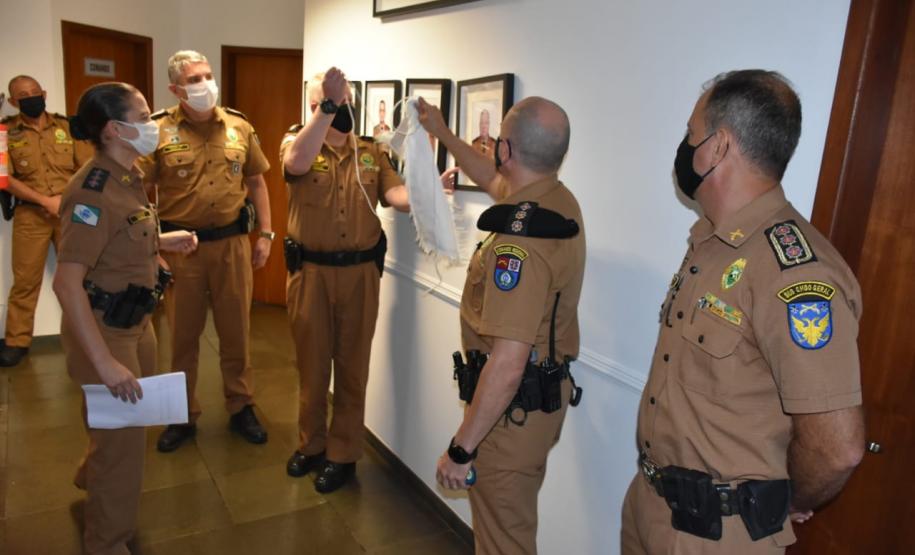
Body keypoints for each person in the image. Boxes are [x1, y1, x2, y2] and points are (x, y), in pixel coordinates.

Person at [620, 70, 865, 554]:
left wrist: (784, 501)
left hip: (717, 536)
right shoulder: (712, 243)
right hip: (650, 506)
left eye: (692, 134)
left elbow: (838, 448)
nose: (686, 148)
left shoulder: (792, 272)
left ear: (717, 147)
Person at [417, 94, 585, 554]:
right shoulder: (554, 200)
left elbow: (508, 362)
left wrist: (461, 448)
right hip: (532, 408)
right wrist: (444, 133)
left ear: (506, 149)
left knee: (503, 542)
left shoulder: (521, 241)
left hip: (509, 417)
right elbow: (492, 179)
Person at [281, 67, 446, 493]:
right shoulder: (298, 141)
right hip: (310, 274)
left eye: (344, 100)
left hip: (359, 276)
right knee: (312, 368)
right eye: (329, 100)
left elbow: (396, 198)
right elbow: (294, 164)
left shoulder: (372, 152)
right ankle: (311, 444)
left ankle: (342, 454)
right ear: (316, 104)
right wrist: (325, 111)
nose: (339, 109)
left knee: (352, 369)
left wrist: (428, 188)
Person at [53, 81, 197, 555]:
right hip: (104, 333)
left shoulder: (128, 175)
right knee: (125, 448)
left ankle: (94, 471)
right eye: (143, 115)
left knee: (118, 434)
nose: (153, 124)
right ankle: (106, 542)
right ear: (115, 129)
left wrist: (162, 242)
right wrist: (106, 365)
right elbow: (67, 284)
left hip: (136, 324)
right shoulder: (90, 191)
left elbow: (122, 239)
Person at [138, 50, 273, 452]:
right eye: (195, 79)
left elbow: (258, 182)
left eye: (208, 75)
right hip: (182, 248)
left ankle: (241, 405)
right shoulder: (157, 131)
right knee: (183, 337)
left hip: (232, 244)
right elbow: (140, 192)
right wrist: (152, 247)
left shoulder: (238, 125)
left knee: (238, 334)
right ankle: (181, 415)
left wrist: (265, 234)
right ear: (176, 89)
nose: (205, 84)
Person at [0, 75, 93, 367]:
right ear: (13, 102)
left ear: (44, 92)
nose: (30, 97)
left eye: (34, 92)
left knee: (84, 277)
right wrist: (44, 201)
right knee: (26, 281)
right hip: (31, 214)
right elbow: (4, 178)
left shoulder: (68, 126)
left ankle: (92, 334)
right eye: (22, 95)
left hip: (71, 213)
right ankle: (17, 341)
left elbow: (88, 168)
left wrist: (62, 201)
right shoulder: (4, 132)